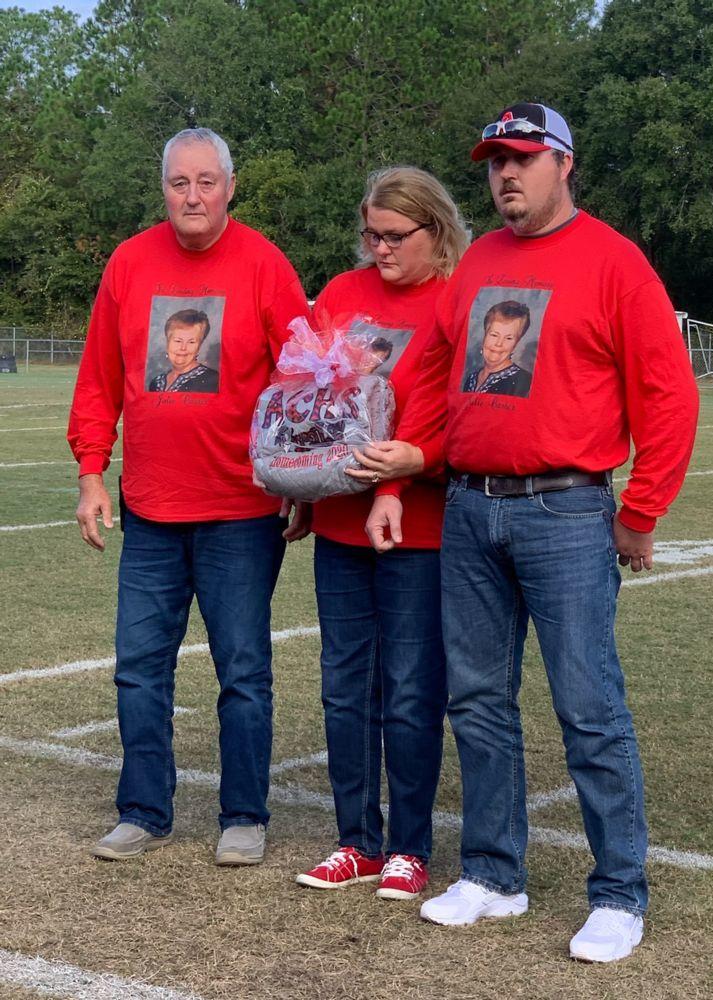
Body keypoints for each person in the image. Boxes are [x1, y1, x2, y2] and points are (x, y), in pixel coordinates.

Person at [365, 104, 698, 959]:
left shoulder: (615, 261)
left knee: (589, 706)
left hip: (567, 510)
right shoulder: (477, 260)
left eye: (521, 159)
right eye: (493, 162)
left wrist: (642, 510)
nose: (504, 175)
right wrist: (405, 469)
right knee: (477, 701)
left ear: (563, 164)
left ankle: (620, 892)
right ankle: (492, 873)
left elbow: (668, 393)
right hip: (470, 508)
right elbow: (438, 381)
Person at [68, 127, 310, 865]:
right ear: (163, 188)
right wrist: (90, 471)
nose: (193, 196)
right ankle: (143, 809)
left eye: (207, 182)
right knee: (140, 666)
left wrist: (302, 478)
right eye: (180, 183)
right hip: (149, 509)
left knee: (242, 670)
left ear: (230, 187)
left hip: (240, 511)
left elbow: (303, 380)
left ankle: (244, 814)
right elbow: (100, 375)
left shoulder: (266, 264)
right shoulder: (130, 261)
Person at [295, 166, 469, 900]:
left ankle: (409, 848)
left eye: (396, 237)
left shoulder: (458, 301)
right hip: (339, 524)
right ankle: (356, 840)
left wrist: (396, 484)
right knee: (344, 687)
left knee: (408, 691)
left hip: (419, 532)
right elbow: (309, 399)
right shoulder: (341, 294)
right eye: (371, 234)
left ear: (436, 230)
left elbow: (445, 415)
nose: (380, 249)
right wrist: (300, 482)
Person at [463, 300, 532, 396]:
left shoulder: (525, 381)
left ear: (516, 343)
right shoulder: (471, 378)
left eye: (508, 338)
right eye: (494, 335)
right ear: (485, 335)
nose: (499, 343)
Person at [148, 308, 219, 392]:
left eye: (191, 342)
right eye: (178, 341)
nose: (183, 348)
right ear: (167, 343)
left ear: (199, 347)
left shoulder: (213, 381)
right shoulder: (155, 383)